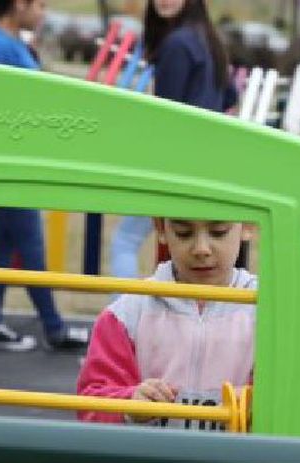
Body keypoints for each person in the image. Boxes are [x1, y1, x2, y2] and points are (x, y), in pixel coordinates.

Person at [77, 217, 257, 463]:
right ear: (161, 229)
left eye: (218, 232)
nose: (201, 248)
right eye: (184, 232)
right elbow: (91, 399)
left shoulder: (266, 312)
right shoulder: (128, 312)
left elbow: (290, 400)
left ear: (246, 227)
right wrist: (129, 403)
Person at [0, 0, 89, 352]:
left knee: (3, 246)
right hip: (8, 159)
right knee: (31, 246)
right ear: (17, 4)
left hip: (16, 156)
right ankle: (54, 328)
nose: (43, 12)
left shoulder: (10, 41)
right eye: (39, 4)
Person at [110, 0, 239, 283]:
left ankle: (125, 320)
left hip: (176, 163)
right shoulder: (208, 39)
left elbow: (165, 117)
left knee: (125, 241)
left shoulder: (177, 44)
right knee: (194, 252)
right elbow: (230, 95)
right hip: (208, 163)